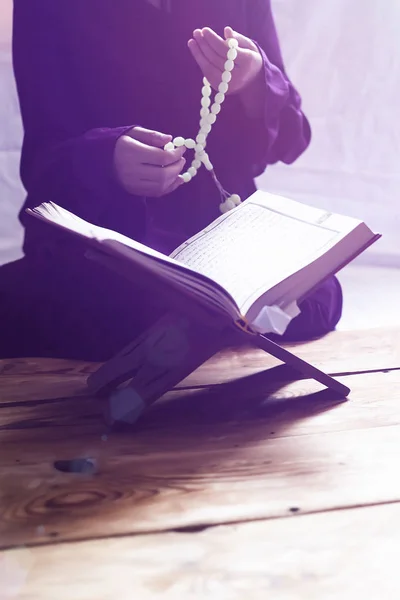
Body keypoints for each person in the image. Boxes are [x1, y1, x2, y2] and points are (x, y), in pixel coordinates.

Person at [0, 0, 342, 361]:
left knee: (320, 294)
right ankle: (212, 323)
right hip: (106, 244)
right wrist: (106, 160)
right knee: (110, 301)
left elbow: (291, 139)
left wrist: (256, 81)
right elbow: (44, 166)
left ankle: (194, 323)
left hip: (217, 240)